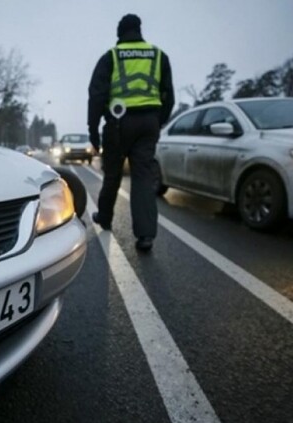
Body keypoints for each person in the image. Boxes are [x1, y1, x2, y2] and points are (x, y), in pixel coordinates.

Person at [88, 13, 174, 252]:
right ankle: (146, 236)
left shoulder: (111, 57)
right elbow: (169, 95)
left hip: (118, 124)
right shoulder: (158, 56)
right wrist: (158, 121)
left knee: (113, 175)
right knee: (143, 178)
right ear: (139, 30)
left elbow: (96, 96)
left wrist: (93, 131)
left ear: (120, 33)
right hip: (148, 123)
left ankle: (104, 217)